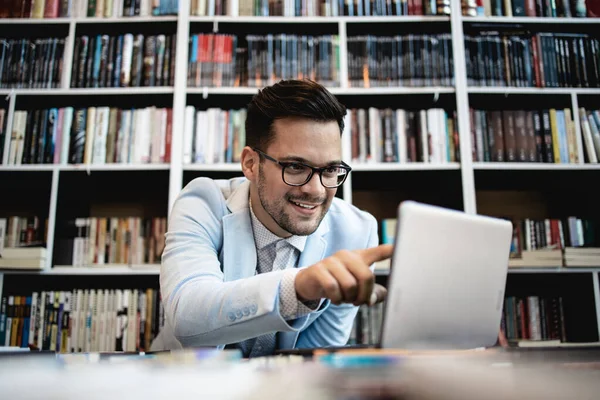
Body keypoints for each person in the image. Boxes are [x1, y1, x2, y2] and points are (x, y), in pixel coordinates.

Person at [150, 79, 393, 357]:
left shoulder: (356, 231)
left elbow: (317, 357)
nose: (315, 190)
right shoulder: (203, 201)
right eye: (295, 166)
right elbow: (188, 317)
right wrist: (299, 288)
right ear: (251, 164)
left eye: (330, 170)